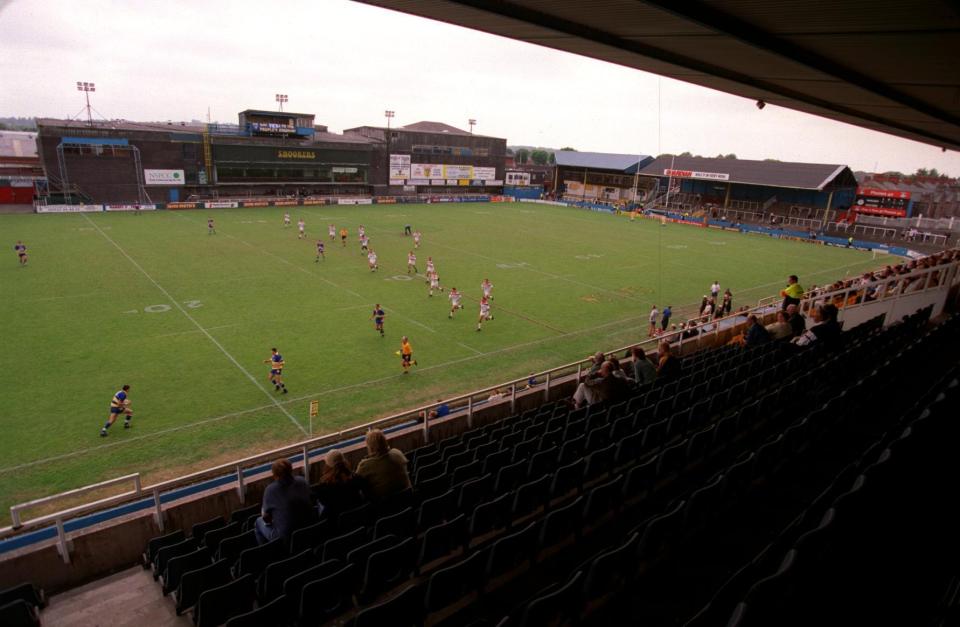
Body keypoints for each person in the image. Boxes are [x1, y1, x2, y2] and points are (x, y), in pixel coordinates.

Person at [254, 458, 312, 545]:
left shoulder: (270, 490)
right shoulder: (302, 481)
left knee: (258, 522)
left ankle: (266, 553)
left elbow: (266, 519)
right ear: (291, 470)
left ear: (275, 475)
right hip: (309, 529)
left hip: (286, 538)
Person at [356, 429, 412, 501]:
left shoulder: (364, 465)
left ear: (370, 447)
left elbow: (356, 484)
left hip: (384, 508)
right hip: (408, 502)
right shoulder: (397, 453)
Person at [313, 449, 363, 521]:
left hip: (335, 526)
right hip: (357, 521)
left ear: (328, 466)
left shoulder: (324, 487)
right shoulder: (356, 479)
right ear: (344, 462)